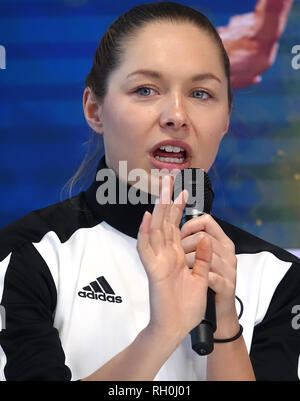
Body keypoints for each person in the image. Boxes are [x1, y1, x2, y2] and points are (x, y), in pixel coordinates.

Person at [0, 1, 299, 381]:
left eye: (201, 93)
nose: (176, 114)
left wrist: (225, 324)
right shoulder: (27, 257)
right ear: (94, 110)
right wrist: (162, 332)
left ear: (226, 119)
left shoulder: (280, 279)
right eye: (146, 90)